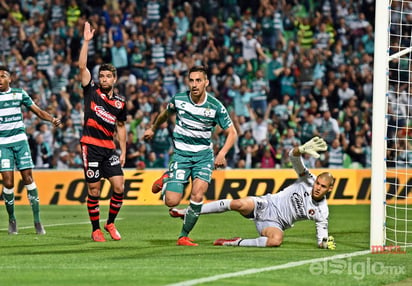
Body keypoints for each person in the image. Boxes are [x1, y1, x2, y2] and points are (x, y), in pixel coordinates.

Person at [170, 137, 337, 249]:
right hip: (266, 204)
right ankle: (187, 212)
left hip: (275, 224)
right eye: (317, 183)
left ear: (329, 189)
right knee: (237, 203)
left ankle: (234, 242)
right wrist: (301, 149)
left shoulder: (322, 211)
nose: (317, 187)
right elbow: (292, 157)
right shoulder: (308, 179)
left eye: (322, 186)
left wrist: (325, 243)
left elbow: (321, 238)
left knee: (276, 241)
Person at [143, 65, 237, 246]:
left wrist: (222, 153)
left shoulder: (215, 106)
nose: (194, 84)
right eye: (191, 80)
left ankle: (183, 236)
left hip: (203, 157)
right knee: (171, 201)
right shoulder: (179, 100)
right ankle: (167, 176)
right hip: (181, 155)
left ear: (206, 83)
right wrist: (153, 128)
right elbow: (165, 114)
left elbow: (232, 133)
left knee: (197, 195)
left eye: (198, 80)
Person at [78, 22, 127, 242]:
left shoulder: (120, 102)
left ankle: (110, 223)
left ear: (114, 79)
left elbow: (121, 126)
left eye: (108, 76)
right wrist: (87, 42)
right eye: (102, 76)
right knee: (94, 191)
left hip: (109, 148)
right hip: (90, 146)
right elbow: (81, 67)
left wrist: (123, 151)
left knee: (119, 186)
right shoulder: (91, 92)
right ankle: (95, 228)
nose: (104, 79)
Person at [0, 65, 61, 235]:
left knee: (28, 179)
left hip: (20, 142)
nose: (0, 79)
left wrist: (52, 119)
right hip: (2, 144)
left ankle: (37, 221)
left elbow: (38, 111)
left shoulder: (19, 93)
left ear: (9, 78)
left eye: (3, 76)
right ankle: (12, 219)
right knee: (8, 182)